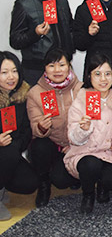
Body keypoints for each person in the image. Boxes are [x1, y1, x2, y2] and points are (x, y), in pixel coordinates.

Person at [64, 53, 112, 214]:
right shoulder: (81, 101)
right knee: (90, 165)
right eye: (97, 74)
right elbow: (73, 138)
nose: (103, 79)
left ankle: (103, 186)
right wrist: (83, 129)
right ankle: (88, 194)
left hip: (108, 154)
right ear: (89, 76)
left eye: (107, 74)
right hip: (85, 153)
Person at [26, 49, 82, 207]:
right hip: (52, 145)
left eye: (62, 65)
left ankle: (72, 173)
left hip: (75, 145)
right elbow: (34, 127)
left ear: (69, 66)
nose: (57, 70)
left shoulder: (81, 89)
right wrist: (41, 127)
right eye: (51, 66)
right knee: (39, 144)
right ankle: (44, 184)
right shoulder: (35, 93)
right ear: (45, 68)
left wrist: (75, 145)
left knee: (62, 181)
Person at [10, 0, 74, 85]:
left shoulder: (62, 1)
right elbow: (15, 41)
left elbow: (71, 29)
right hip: (36, 71)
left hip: (63, 69)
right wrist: (35, 34)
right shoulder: (24, 4)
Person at [0, 52, 38, 221]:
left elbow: (26, 132)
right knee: (8, 152)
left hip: (11, 154)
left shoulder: (22, 97)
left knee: (29, 183)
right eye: (4, 72)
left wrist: (15, 146)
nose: (11, 77)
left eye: (14, 71)